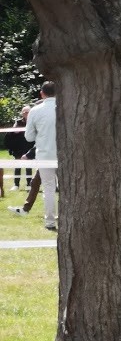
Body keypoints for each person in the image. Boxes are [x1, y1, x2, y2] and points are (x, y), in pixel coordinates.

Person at [12, 82, 57, 231]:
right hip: (65, 154)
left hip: (45, 154)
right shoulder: (66, 107)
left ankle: (50, 222)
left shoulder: (35, 111)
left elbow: (29, 137)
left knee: (48, 189)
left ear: (42, 93)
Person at [4, 106, 33, 191]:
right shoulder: (18, 122)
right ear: (22, 113)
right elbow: (13, 131)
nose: (25, 114)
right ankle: (16, 185)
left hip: (29, 146)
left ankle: (29, 184)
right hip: (18, 147)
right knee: (17, 166)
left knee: (28, 167)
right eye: (24, 112)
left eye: (27, 112)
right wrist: (15, 130)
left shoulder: (33, 121)